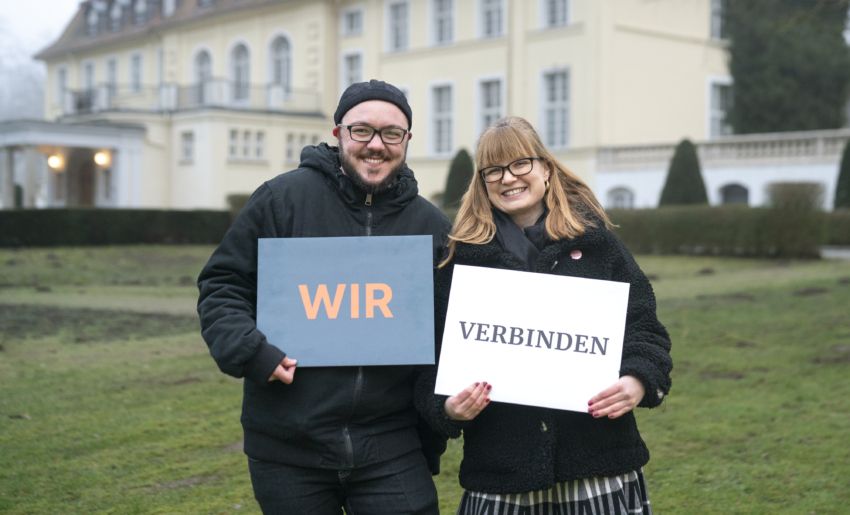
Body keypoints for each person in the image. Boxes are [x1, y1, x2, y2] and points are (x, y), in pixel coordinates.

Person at [197, 79, 451, 515]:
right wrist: (252, 352)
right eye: (361, 131)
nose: (376, 145)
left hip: (392, 445)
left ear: (406, 141)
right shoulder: (282, 200)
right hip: (289, 445)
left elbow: (454, 323)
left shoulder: (430, 225)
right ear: (338, 135)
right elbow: (223, 285)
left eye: (391, 134)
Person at [415, 116, 672, 514]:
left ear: (546, 169)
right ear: (482, 183)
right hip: (502, 478)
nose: (508, 178)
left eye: (520, 164)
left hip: (599, 469)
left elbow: (645, 329)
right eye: (494, 170)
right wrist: (447, 407)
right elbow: (429, 360)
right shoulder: (460, 262)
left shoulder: (597, 245)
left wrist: (637, 380)